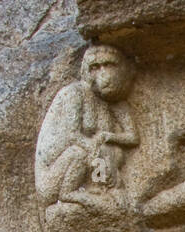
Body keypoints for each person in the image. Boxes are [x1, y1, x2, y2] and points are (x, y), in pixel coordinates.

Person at [35, 44, 139, 210]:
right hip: (55, 176)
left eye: (109, 65)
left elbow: (133, 137)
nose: (103, 73)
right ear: (86, 72)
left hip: (92, 167)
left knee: (113, 151)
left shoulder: (115, 102)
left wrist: (108, 137)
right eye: (95, 67)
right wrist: (93, 148)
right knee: (82, 152)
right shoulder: (73, 94)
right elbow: (71, 135)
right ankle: (70, 193)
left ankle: (104, 188)